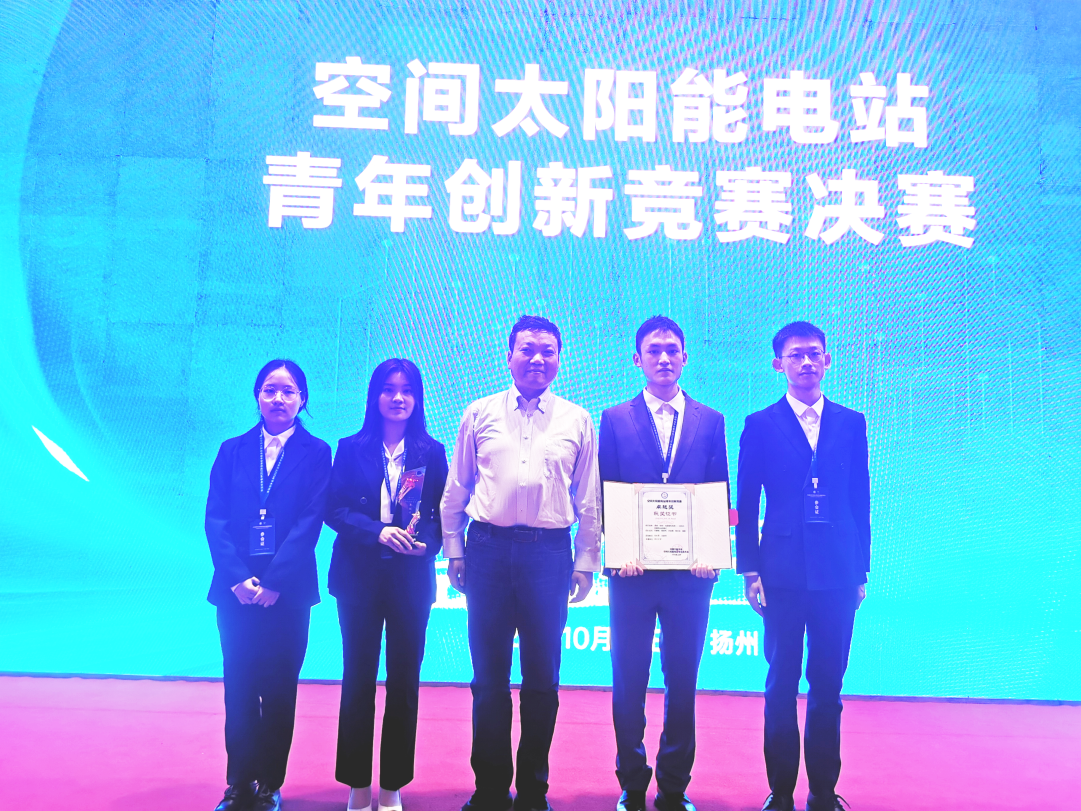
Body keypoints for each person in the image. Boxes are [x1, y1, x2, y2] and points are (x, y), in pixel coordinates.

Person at [440, 315, 601, 811]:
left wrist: (586, 559)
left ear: (559, 359)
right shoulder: (479, 412)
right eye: (527, 349)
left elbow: (588, 497)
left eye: (547, 351)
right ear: (508, 355)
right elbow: (457, 486)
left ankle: (533, 790)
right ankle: (489, 789)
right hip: (487, 550)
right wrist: (454, 548)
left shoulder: (576, 419)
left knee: (541, 680)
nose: (537, 359)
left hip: (549, 556)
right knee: (488, 679)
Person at [736, 322, 871, 811]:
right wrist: (750, 570)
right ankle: (780, 792)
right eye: (796, 355)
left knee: (829, 685)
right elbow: (747, 500)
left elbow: (860, 498)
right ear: (779, 364)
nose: (806, 362)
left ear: (828, 360)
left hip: (838, 573)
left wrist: (861, 570)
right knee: (780, 684)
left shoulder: (851, 422)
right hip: (781, 572)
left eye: (814, 353)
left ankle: (823, 792)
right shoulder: (760, 424)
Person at [598, 316, 730, 811]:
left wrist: (711, 553)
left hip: (689, 577)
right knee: (628, 679)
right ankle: (632, 782)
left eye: (672, 349)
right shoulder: (614, 418)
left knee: (683, 680)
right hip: (631, 574)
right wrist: (618, 552)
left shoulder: (710, 420)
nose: (664, 358)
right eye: (653, 350)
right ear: (638, 359)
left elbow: (717, 488)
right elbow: (607, 488)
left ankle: (674, 785)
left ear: (685, 357)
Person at [205, 359, 332, 811]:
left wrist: (277, 580)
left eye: (289, 391)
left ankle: (269, 784)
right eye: (270, 390)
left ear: (302, 399)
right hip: (235, 592)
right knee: (239, 686)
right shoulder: (232, 450)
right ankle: (238, 782)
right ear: (257, 396)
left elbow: (310, 521)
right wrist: (237, 578)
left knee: (279, 688)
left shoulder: (318, 453)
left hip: (288, 593)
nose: (279, 398)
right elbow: (215, 519)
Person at [325, 359, 449, 811]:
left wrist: (428, 544)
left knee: (404, 681)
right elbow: (334, 509)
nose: (398, 398)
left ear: (417, 398)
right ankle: (358, 784)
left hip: (409, 580)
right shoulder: (351, 447)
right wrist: (377, 532)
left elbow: (440, 514)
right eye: (389, 389)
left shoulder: (431, 451)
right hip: (358, 578)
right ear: (375, 395)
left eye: (407, 390)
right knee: (357, 678)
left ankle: (393, 784)